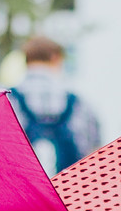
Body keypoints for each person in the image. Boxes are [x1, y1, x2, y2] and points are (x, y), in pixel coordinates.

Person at [8, 36, 100, 174]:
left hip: (21, 191)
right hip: (67, 191)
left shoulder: (7, 100)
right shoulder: (79, 103)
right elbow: (94, 151)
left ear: (26, 59)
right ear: (56, 58)